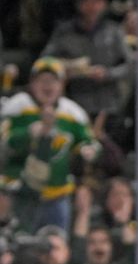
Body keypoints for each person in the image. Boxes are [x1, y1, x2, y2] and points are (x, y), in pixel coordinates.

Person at [0, 57, 101, 233]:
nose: (48, 86)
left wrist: (89, 150)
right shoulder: (19, 107)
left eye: (53, 80)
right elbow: (4, 142)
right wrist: (29, 133)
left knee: (56, 246)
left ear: (62, 84)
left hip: (57, 194)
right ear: (32, 83)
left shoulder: (72, 113)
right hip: (19, 194)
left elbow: (89, 141)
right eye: (42, 80)